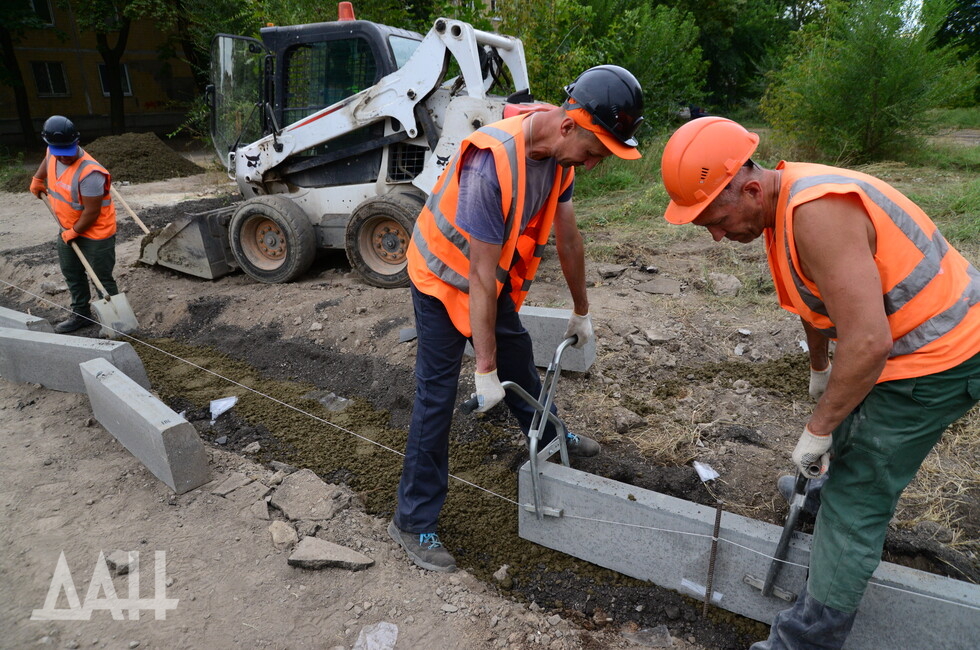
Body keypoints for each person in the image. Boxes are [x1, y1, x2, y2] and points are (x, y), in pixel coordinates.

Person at [660, 116, 980, 649]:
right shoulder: (781, 208)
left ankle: (806, 640)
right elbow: (818, 303)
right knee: (847, 421)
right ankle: (821, 498)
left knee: (859, 493)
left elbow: (869, 344)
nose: (715, 236)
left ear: (750, 187)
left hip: (940, 354)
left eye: (714, 219)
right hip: (901, 342)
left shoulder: (818, 215)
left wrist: (819, 425)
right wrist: (820, 373)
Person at [389, 65, 645, 573]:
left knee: (520, 357)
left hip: (488, 277)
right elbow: (477, 277)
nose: (593, 166)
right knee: (437, 396)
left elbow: (568, 240)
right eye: (595, 153)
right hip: (443, 273)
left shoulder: (561, 157)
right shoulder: (492, 163)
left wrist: (581, 311)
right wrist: (483, 368)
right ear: (570, 125)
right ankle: (412, 519)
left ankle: (548, 436)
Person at [30, 115, 119, 334]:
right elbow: (49, 158)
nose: (65, 158)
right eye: (60, 153)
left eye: (68, 153)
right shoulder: (54, 151)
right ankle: (81, 315)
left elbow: (91, 212)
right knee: (72, 273)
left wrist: (74, 231)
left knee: (101, 279)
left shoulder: (90, 173)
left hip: (96, 233)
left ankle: (115, 323)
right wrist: (38, 179)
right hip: (66, 228)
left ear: (76, 142)